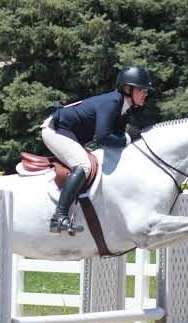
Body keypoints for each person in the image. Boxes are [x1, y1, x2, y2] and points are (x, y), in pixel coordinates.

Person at [41, 66, 153, 233]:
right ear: (128, 89)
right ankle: (59, 217)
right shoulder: (113, 102)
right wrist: (128, 138)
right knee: (84, 165)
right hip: (56, 130)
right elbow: (103, 138)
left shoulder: (124, 108)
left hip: (71, 133)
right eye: (142, 89)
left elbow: (111, 138)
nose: (146, 93)